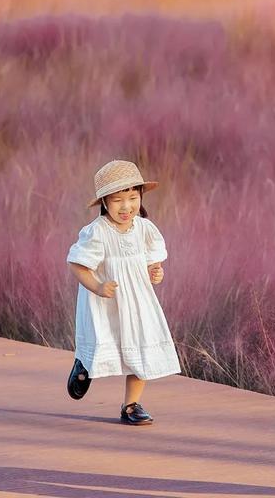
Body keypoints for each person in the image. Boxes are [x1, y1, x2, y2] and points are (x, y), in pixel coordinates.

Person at [66, 159, 182, 425]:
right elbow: (76, 264)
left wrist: (156, 271)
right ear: (104, 202)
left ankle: (131, 406)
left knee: (141, 347)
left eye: (132, 197)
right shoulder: (97, 232)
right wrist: (96, 285)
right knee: (102, 342)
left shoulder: (144, 228)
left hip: (138, 301)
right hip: (105, 301)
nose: (127, 206)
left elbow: (153, 259)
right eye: (118, 200)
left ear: (140, 196)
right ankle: (84, 364)